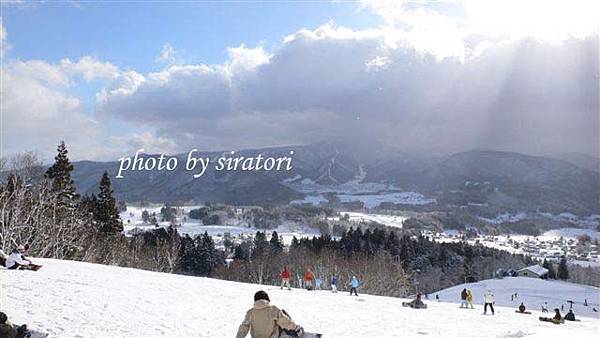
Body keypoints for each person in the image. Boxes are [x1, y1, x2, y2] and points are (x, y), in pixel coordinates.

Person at [236, 291, 303, 338]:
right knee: (282, 315)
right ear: (266, 299)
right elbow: (285, 321)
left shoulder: (250, 313)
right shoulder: (273, 309)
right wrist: (296, 328)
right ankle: (293, 333)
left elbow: (243, 327)